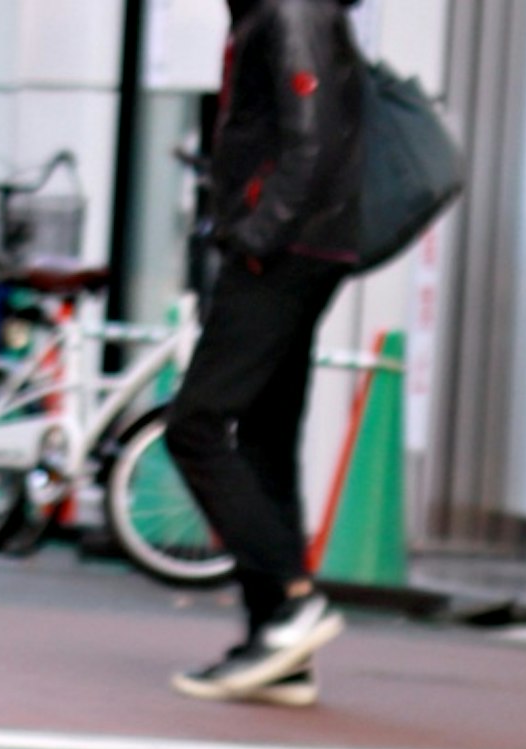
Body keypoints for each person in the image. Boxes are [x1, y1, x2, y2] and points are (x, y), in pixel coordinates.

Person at [164, 0, 366, 706]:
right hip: (301, 247)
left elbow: (313, 141)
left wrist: (256, 232)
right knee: (265, 440)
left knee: (195, 425)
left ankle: (289, 603)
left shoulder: (288, 9)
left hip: (283, 252)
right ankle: (278, 651)